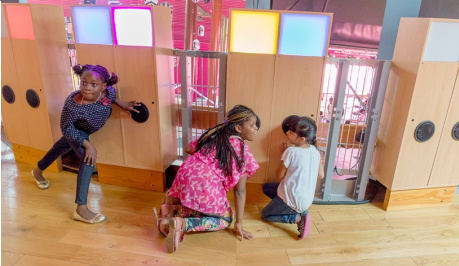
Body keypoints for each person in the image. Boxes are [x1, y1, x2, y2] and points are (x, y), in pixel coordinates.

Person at [31, 64, 140, 224]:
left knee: (58, 149)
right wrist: (87, 145)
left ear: (103, 86)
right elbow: (66, 128)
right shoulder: (73, 104)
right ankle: (81, 209)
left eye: (93, 84)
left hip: (87, 130)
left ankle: (37, 171)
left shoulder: (108, 92)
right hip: (76, 132)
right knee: (88, 160)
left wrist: (121, 103)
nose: (87, 88)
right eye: (83, 82)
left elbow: (111, 97)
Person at [155, 105, 260, 253]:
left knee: (204, 205)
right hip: (204, 183)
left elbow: (188, 148)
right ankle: (182, 224)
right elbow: (240, 192)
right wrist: (239, 223)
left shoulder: (215, 137)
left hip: (185, 172)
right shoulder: (242, 152)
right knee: (225, 219)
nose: (256, 128)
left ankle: (170, 211)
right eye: (252, 125)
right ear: (238, 128)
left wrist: (207, 159)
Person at [261, 116, 324, 239]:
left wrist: (284, 157)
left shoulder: (290, 152)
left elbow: (279, 176)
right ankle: (301, 211)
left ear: (301, 138)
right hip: (305, 200)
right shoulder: (315, 151)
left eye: (291, 132)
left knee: (265, 215)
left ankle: (297, 218)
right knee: (267, 188)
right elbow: (321, 175)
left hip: (291, 200)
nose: (287, 133)